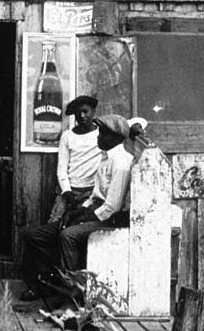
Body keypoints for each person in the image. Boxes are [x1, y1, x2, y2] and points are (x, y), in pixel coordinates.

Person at [19, 114, 146, 301]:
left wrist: (83, 217)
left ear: (115, 138)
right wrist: (76, 212)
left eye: (102, 134)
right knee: (33, 235)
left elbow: (112, 206)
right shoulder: (106, 158)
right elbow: (94, 197)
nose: (97, 137)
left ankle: (74, 294)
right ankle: (49, 282)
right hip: (94, 212)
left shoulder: (121, 162)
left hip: (108, 221)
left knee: (68, 236)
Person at [46, 95, 103, 227]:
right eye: (78, 113)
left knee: (82, 226)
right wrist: (67, 192)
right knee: (55, 224)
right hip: (70, 191)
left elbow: (131, 123)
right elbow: (62, 169)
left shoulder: (101, 134)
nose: (82, 116)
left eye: (85, 111)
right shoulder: (67, 136)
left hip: (92, 192)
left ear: (93, 112)